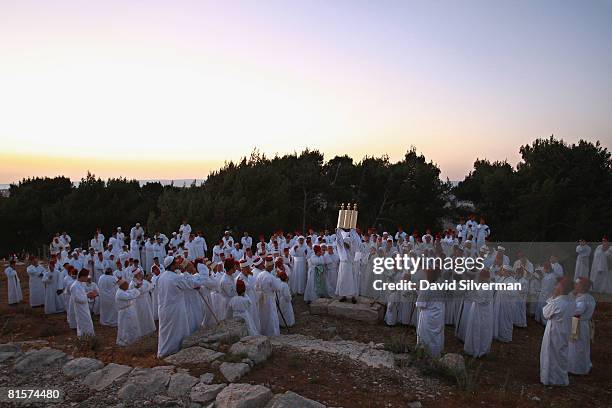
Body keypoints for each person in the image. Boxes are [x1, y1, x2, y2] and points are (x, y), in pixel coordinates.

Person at [540, 278, 575, 386]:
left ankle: (551, 378)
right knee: (561, 354)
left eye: (557, 285)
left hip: (554, 330)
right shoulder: (571, 301)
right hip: (565, 330)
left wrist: (553, 297)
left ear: (562, 288)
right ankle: (561, 377)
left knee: (551, 354)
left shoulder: (557, 302)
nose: (555, 287)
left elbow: (545, 313)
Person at [157, 256, 192, 358]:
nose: (178, 264)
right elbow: (188, 285)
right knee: (177, 330)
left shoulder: (161, 276)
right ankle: (174, 350)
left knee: (166, 332)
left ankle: (163, 351)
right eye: (175, 263)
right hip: (175, 308)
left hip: (164, 307)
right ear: (171, 265)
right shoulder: (175, 277)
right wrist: (185, 272)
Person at [464, 269, 494, 357]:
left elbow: (481, 299)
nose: (479, 278)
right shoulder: (483, 284)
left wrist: (470, 294)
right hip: (478, 309)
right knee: (476, 328)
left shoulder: (487, 286)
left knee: (481, 329)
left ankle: (479, 349)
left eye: (480, 277)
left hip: (482, 311)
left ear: (484, 278)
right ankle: (474, 347)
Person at [568, 277, 596, 375]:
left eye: (577, 284)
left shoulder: (582, 299)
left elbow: (576, 312)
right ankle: (583, 364)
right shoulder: (589, 297)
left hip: (579, 324)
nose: (575, 285)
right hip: (585, 324)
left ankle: (576, 368)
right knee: (583, 346)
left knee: (577, 346)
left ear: (582, 287)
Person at [416, 269, 445, 358]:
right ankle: (436, 355)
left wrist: (418, 292)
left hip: (427, 317)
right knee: (435, 338)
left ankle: (425, 355)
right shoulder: (440, 287)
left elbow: (420, 304)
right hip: (438, 316)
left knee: (426, 337)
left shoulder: (426, 288)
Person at [254, 256, 282, 336]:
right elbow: (278, 288)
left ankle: (263, 332)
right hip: (269, 298)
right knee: (271, 315)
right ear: (271, 266)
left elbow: (256, 287)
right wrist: (278, 279)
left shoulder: (260, 274)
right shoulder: (270, 277)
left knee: (263, 315)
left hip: (261, 298)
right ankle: (272, 334)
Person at [335, 227, 362, 304]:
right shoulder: (341, 250)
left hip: (351, 266)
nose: (346, 245)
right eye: (345, 243)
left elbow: (355, 242)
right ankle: (343, 296)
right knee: (343, 280)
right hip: (344, 267)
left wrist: (353, 231)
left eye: (348, 243)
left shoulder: (353, 249)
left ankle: (353, 297)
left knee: (353, 281)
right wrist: (338, 232)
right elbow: (338, 242)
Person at [115, 278, 143, 346]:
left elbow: (130, 292)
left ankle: (133, 339)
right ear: (122, 285)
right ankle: (126, 341)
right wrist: (136, 289)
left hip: (128, 311)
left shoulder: (123, 290)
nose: (127, 286)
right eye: (126, 284)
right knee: (126, 327)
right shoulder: (120, 293)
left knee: (131, 326)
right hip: (124, 313)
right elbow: (131, 295)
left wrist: (136, 288)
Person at [129, 268, 156, 338]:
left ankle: (148, 329)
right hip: (137, 303)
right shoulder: (132, 283)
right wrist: (140, 289)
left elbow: (150, 287)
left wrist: (149, 283)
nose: (141, 274)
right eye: (139, 273)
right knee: (140, 316)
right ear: (136, 275)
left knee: (147, 315)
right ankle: (141, 331)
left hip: (145, 301)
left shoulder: (143, 281)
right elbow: (135, 292)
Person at [70, 269, 96, 338]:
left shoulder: (80, 284)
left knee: (88, 322)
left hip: (84, 307)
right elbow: (77, 299)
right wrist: (87, 295)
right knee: (83, 323)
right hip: (80, 309)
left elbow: (82, 295)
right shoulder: (74, 286)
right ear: (82, 277)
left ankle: (89, 337)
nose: (87, 278)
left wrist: (88, 294)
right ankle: (84, 338)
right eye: (87, 276)